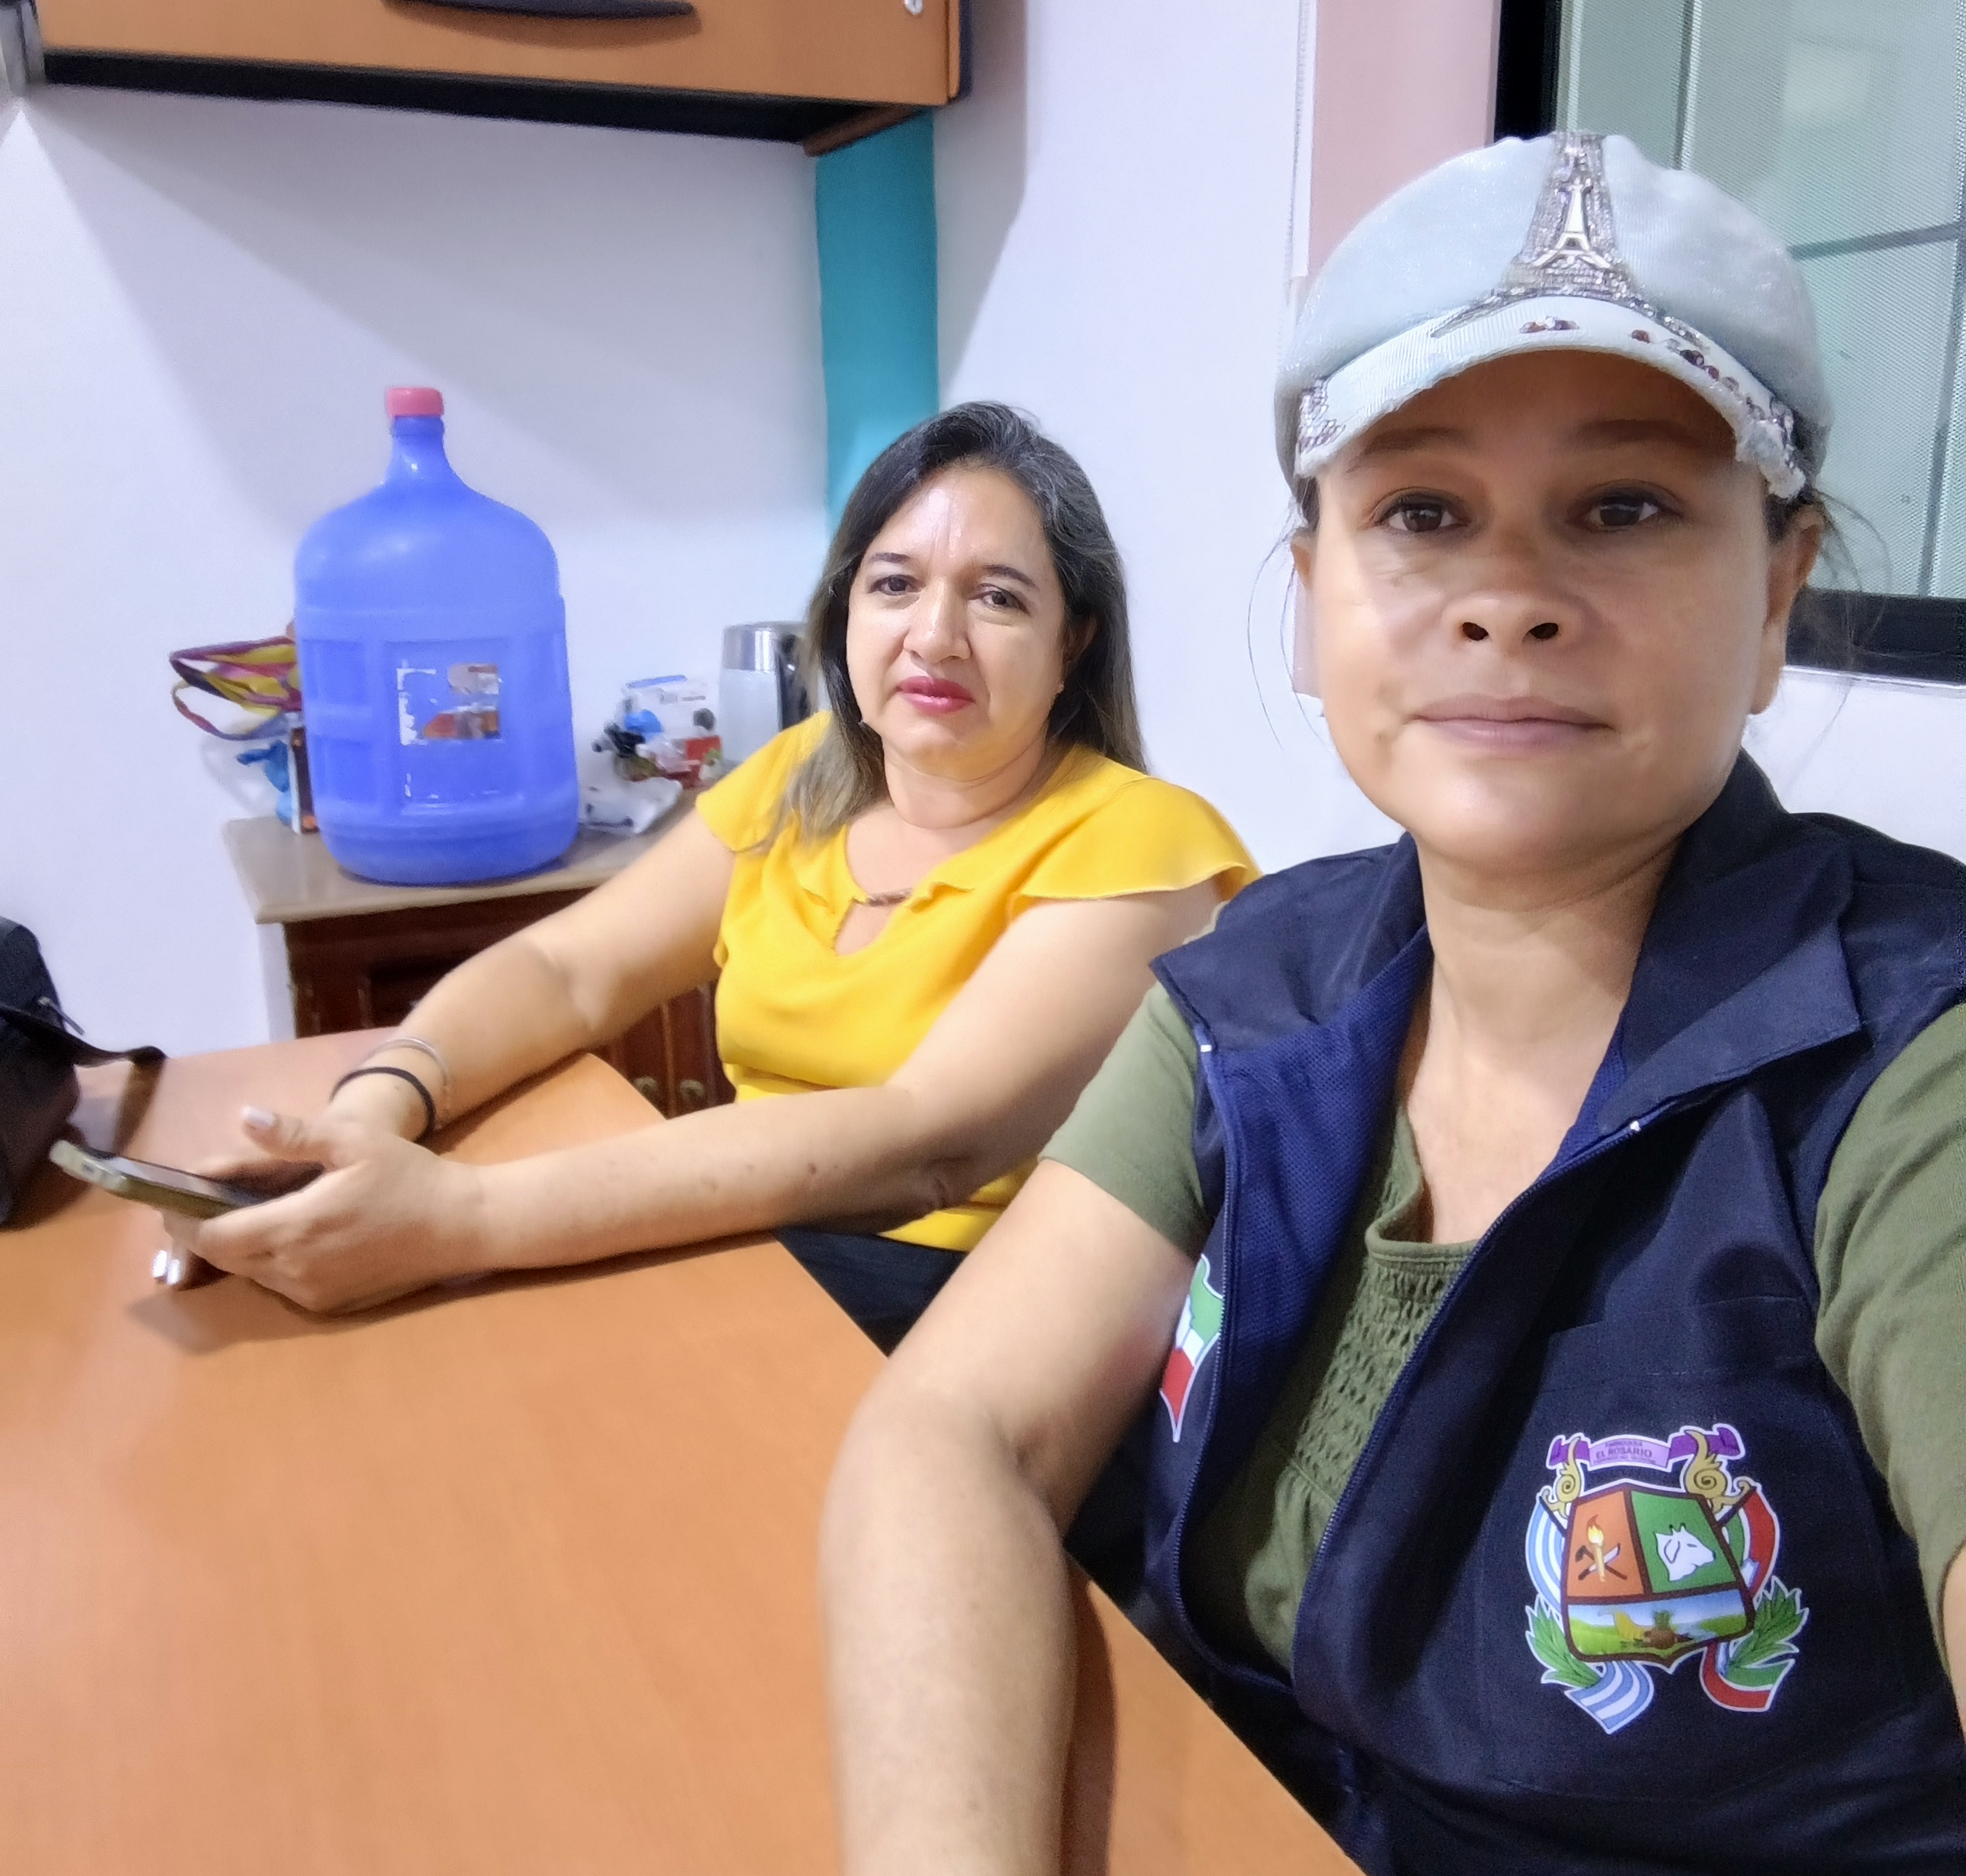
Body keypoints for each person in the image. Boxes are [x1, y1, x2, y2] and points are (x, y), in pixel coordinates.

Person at [820, 135, 1966, 1874]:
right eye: (1423, 514)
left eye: (1626, 508)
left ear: (1777, 595)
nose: (1509, 601)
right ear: (1315, 601)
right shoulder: (1258, 989)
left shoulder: (1912, 1061)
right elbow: (956, 1426)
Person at [161, 402, 1255, 1343]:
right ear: (845, 612)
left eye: (999, 598)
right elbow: (566, 970)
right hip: (758, 1246)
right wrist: (379, 1105)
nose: (935, 635)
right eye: (895, 584)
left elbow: (927, 1141)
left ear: (1074, 643)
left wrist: (463, 1218)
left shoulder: (1140, 850)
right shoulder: (800, 780)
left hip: (982, 1319)